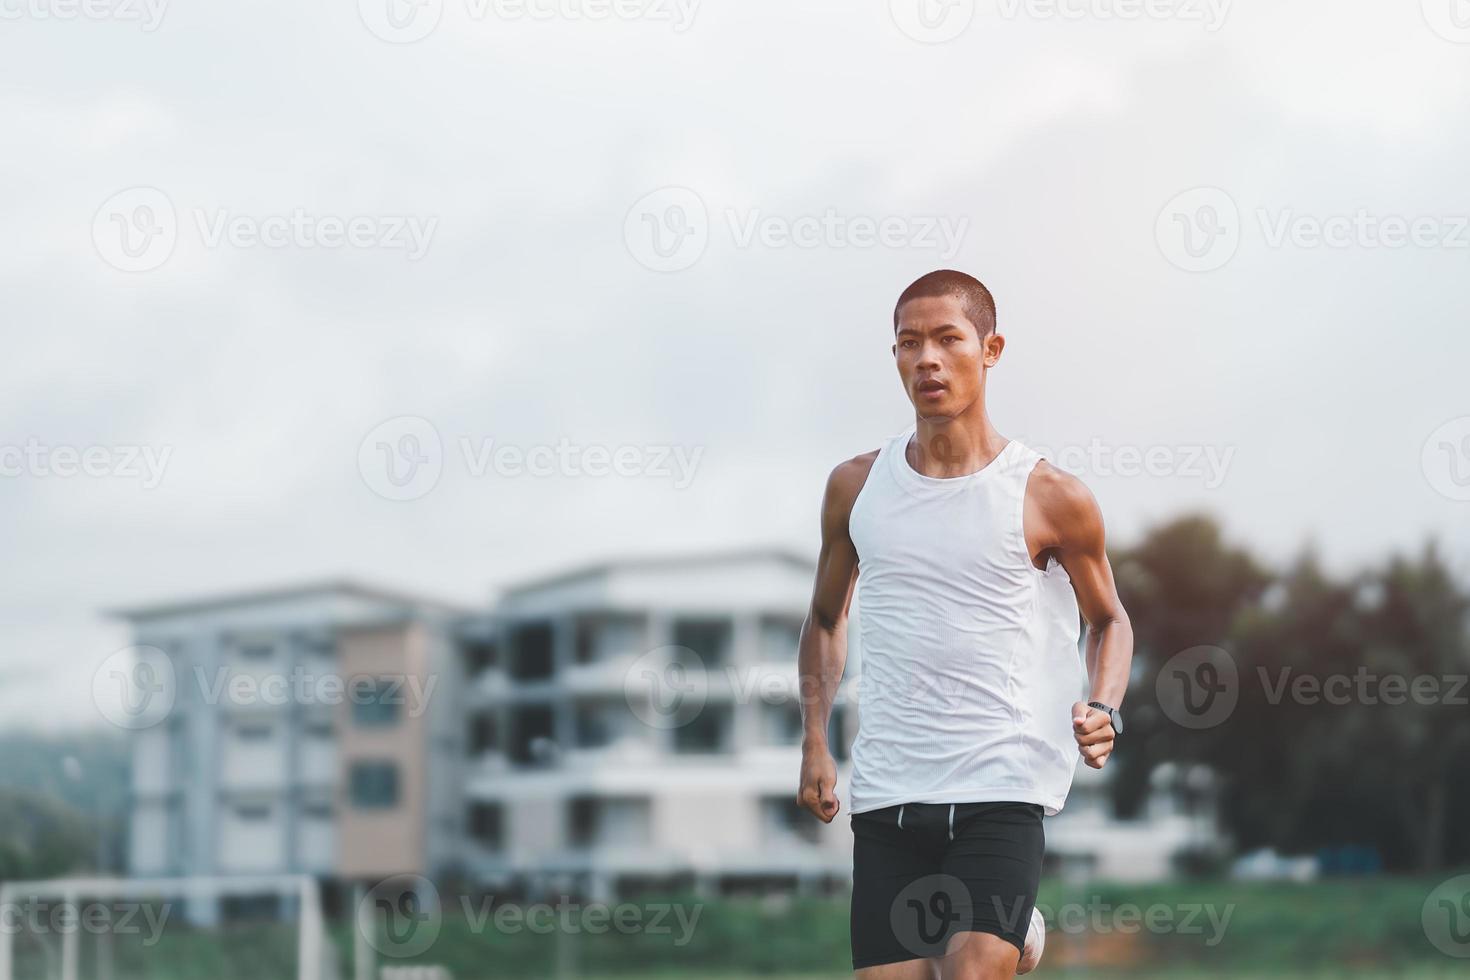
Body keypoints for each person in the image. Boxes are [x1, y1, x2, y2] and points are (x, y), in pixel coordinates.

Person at [795, 270, 1134, 979]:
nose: (927, 359)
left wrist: (1105, 705)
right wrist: (815, 743)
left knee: (968, 974)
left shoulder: (1048, 496)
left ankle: (1002, 933)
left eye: (948, 339)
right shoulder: (856, 487)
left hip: (1001, 783)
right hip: (890, 786)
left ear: (991, 349)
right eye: (909, 344)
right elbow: (827, 618)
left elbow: (1109, 620)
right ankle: (1022, 933)